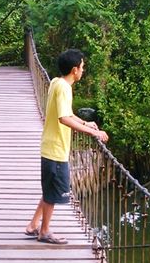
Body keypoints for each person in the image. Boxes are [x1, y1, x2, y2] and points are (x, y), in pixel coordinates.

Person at [25, 49, 109, 244]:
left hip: (50, 146)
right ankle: (44, 231)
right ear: (74, 70)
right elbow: (63, 119)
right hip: (55, 150)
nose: (83, 70)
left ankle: (33, 225)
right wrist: (94, 132)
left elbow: (67, 112)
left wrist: (85, 123)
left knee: (49, 189)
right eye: (82, 67)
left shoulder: (56, 82)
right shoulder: (64, 88)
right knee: (53, 192)